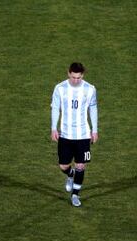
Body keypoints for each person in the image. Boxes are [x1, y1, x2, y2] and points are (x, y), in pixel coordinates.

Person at [51, 62, 98, 207]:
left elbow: (93, 109)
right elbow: (55, 109)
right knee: (63, 166)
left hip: (83, 135)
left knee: (81, 166)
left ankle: (75, 195)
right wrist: (53, 128)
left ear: (82, 75)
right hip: (65, 134)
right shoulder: (60, 88)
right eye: (73, 77)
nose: (76, 80)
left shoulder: (90, 89)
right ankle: (70, 175)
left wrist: (94, 130)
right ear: (68, 73)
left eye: (78, 77)